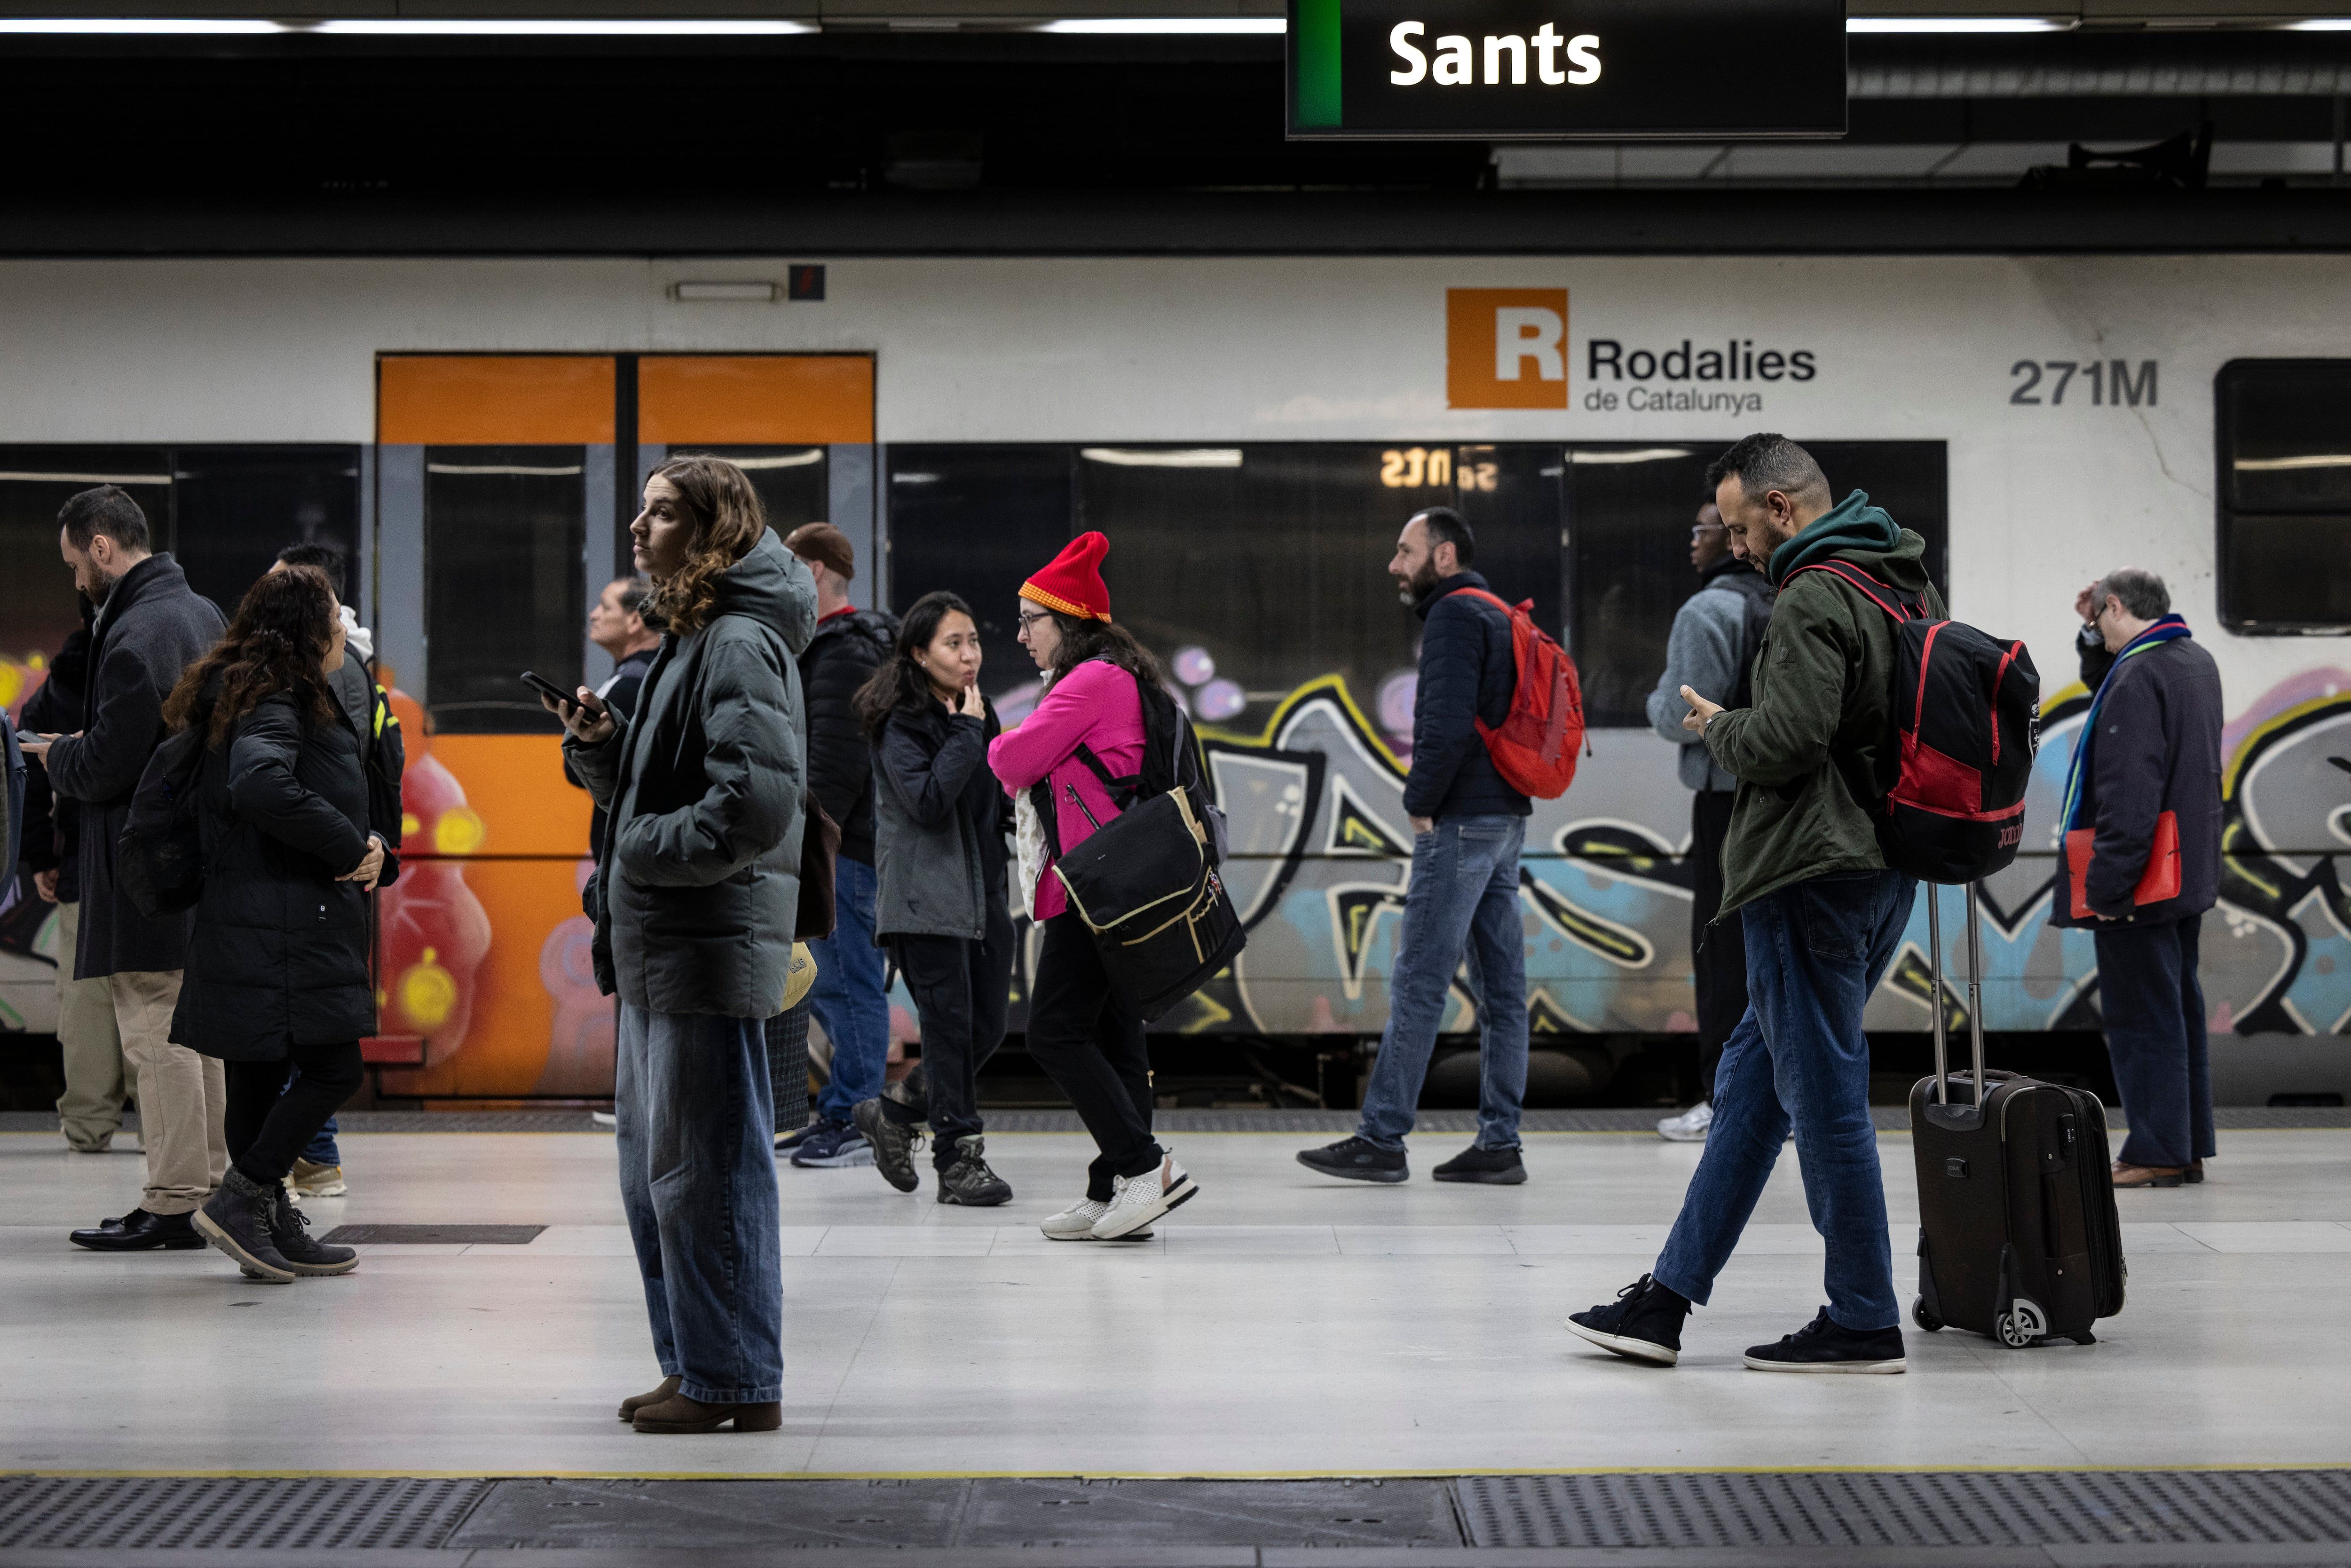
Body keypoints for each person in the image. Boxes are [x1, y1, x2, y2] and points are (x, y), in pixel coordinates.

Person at [1567, 433, 1932, 1375]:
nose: (1733, 546)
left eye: (1737, 526)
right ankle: (1665, 1297)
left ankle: (1862, 1316)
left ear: (1780, 507)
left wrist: (1714, 722)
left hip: (1807, 873)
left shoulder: (1813, 593)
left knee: (1824, 1102)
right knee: (1751, 1092)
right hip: (1879, 865)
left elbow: (1786, 740)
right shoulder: (1899, 581)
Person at [552, 454, 813, 1435]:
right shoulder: (691, 640)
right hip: (666, 943)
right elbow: (661, 783)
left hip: (702, 942)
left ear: (710, 533)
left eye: (660, 513)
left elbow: (751, 802)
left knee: (709, 1173)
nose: (637, 526)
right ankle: (698, 1362)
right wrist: (602, 746)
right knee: (660, 1176)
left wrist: (640, 846)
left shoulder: (738, 640)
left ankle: (736, 1375)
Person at [165, 566, 391, 1281]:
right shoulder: (281, 693)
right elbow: (261, 781)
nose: (343, 626)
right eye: (333, 615)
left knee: (258, 1074)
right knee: (334, 1066)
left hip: (257, 912)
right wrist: (348, 843)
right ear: (307, 628)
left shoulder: (253, 685)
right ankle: (243, 1199)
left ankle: (268, 1220)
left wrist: (368, 842)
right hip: (284, 916)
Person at [1298, 507, 1531, 1186]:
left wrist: (1419, 802)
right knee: (1504, 992)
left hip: (1460, 820)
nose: (1395, 565)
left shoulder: (1457, 613)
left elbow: (1446, 724)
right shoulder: (1498, 611)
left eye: (1405, 551)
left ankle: (1382, 1137)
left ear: (1445, 556)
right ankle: (1501, 1143)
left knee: (1421, 981)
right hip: (1507, 816)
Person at [27, 486, 229, 1253]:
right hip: (191, 863)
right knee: (194, 1035)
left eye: (77, 562)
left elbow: (115, 759)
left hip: (144, 871)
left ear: (102, 549)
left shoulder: (135, 632)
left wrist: (58, 755)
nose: (77, 578)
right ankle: (207, 1186)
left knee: (156, 1037)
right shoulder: (198, 613)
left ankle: (175, 1200)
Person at [988, 531, 1196, 1241]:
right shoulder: (1115, 677)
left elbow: (1013, 759)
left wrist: (991, 736)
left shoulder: (1091, 681)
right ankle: (1115, 1188)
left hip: (1096, 888)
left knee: (1054, 1030)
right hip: (1106, 885)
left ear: (1067, 619)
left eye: (1029, 619)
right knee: (1113, 1039)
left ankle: (1145, 1165)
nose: (1020, 635)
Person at [2056, 568, 2222, 1189]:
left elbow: (2129, 790)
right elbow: (2107, 676)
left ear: (2117, 606)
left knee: (2141, 1016)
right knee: (2177, 1007)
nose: (2095, 631)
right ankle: (2185, 1143)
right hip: (2187, 870)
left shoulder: (2140, 675)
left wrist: (2107, 884)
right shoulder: (2190, 660)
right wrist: (2087, 627)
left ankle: (2156, 1149)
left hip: (2143, 878)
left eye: (2098, 619)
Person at [850, 590, 1015, 1206]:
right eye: (954, 643)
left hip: (984, 895)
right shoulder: (902, 720)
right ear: (919, 653)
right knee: (948, 1031)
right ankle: (960, 1160)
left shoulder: (978, 710)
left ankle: (894, 1111)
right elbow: (926, 800)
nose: (970, 654)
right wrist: (968, 731)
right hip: (925, 899)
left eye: (974, 640)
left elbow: (988, 794)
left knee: (986, 1026)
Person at [268, 542, 405, 1201]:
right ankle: (309, 1159)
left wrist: (357, 844)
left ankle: (307, 1160)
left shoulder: (334, 667)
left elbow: (336, 772)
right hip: (339, 860)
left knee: (309, 1028)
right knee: (313, 1025)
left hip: (324, 869)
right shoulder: (348, 661)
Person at [1646, 499, 1774, 1143]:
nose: (1693, 544)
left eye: (1701, 531)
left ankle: (1726, 1101)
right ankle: (1785, 1101)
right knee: (1781, 953)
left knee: (1724, 954)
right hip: (1795, 801)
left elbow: (1676, 713)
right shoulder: (1799, 598)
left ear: (1731, 537)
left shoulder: (1708, 610)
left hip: (1728, 802)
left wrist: (1653, 697)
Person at [777, 522, 896, 1166]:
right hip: (838, 845)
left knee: (848, 983)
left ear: (815, 571)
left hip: (842, 849)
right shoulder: (830, 646)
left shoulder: (843, 650)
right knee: (833, 983)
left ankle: (856, 1117)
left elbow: (835, 763)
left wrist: (807, 843)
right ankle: (841, 1110)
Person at [21, 599, 129, 1156]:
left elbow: (26, 762)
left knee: (85, 999)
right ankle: (159, 1118)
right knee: (151, 990)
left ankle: (88, 1124)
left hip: (82, 864)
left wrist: (42, 855)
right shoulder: (150, 654)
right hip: (146, 867)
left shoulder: (65, 677)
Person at [573, 575, 660, 859]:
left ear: (635, 621)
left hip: (625, 844)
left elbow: (579, 771)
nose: (594, 614)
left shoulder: (631, 684)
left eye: (605, 607)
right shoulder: (653, 674)